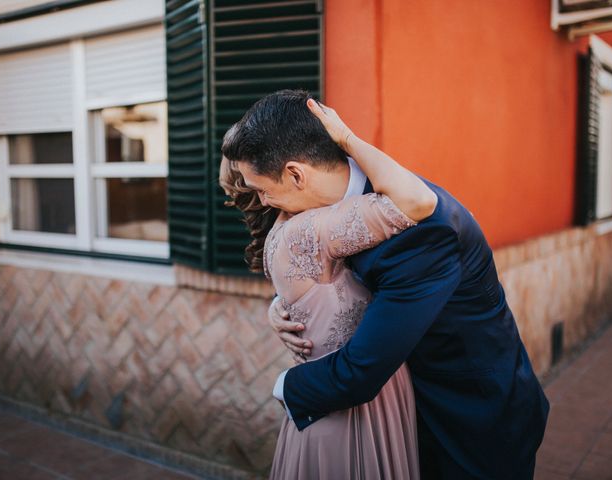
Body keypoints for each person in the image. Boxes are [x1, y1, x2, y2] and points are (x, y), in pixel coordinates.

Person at [223, 90, 550, 480]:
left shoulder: (421, 234)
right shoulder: (338, 209)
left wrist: (284, 386)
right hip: (406, 408)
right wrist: (285, 303)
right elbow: (328, 273)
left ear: (296, 173)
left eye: (262, 189)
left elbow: (360, 371)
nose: (263, 202)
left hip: (469, 419)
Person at [220, 104, 437, 478]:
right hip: (350, 394)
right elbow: (418, 201)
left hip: (342, 388)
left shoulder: (293, 226)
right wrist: (347, 140)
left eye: (262, 190)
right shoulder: (305, 231)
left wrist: (279, 304)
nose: (264, 201)